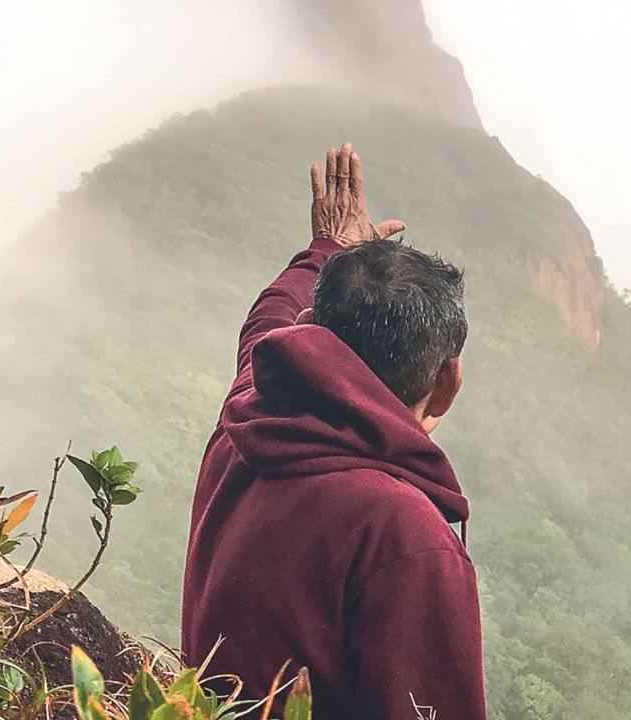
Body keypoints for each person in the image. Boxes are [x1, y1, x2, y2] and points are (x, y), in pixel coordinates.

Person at [181, 142, 486, 720]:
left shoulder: (249, 417)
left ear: (305, 332)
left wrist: (328, 249)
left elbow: (266, 325)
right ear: (448, 381)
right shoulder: (402, 534)